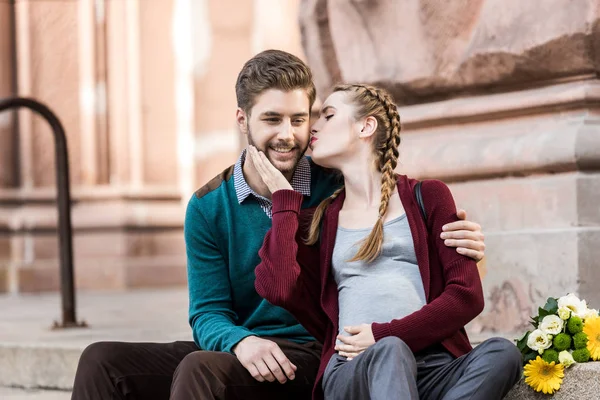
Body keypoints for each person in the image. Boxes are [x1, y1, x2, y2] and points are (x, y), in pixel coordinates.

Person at [70, 50, 486, 400]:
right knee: (101, 361)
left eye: (299, 119)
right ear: (242, 119)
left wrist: (462, 240)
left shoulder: (336, 188)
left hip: (313, 349)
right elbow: (208, 312)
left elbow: (398, 226)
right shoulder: (208, 206)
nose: (287, 135)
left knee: (200, 370)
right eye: (272, 119)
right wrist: (241, 341)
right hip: (247, 347)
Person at [252, 83, 522, 400]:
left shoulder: (428, 196)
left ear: (366, 126)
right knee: (390, 351)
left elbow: (467, 296)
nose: (315, 126)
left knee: (503, 353)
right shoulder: (320, 220)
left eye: (328, 115)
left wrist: (384, 333)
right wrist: (284, 202)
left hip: (436, 366)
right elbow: (278, 288)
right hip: (353, 367)